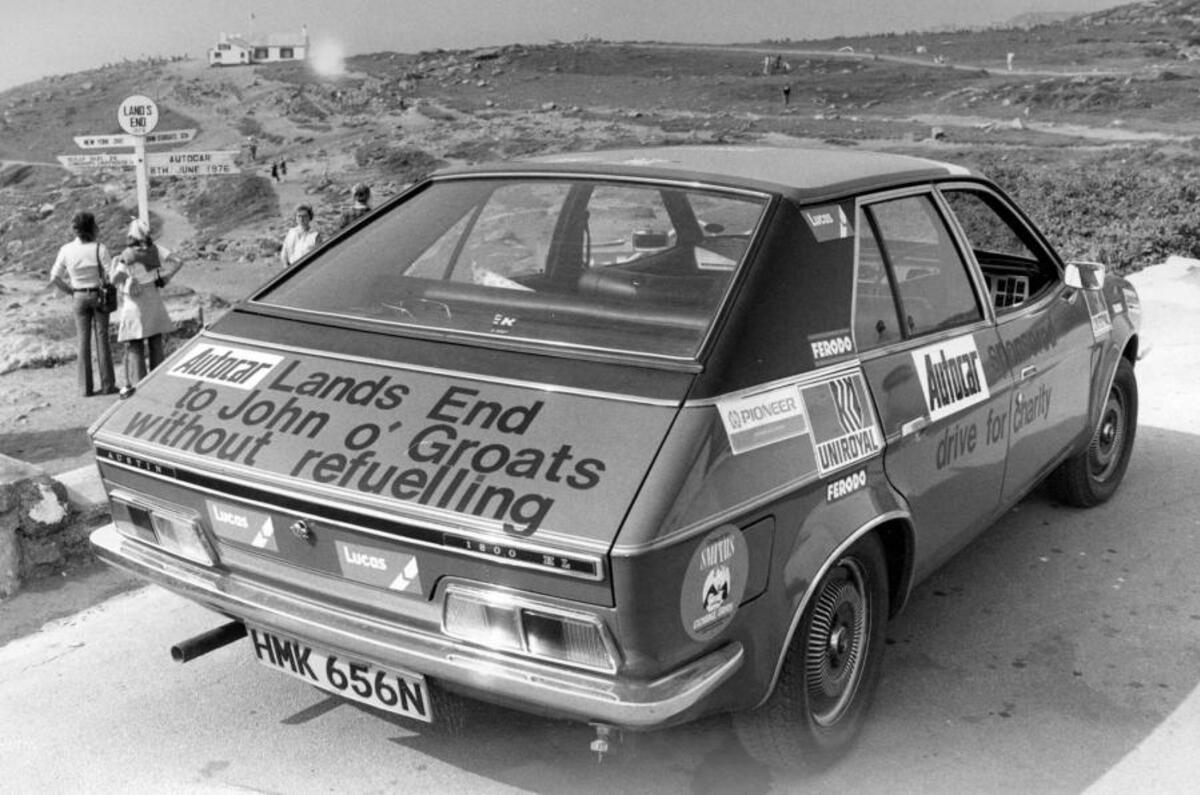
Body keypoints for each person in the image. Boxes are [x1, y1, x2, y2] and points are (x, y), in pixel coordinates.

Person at [110, 218, 183, 396]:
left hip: (135, 301)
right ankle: (157, 383)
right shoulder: (155, 250)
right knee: (155, 341)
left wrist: (117, 270)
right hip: (153, 297)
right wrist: (167, 276)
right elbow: (178, 261)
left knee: (135, 344)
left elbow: (114, 279)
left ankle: (139, 384)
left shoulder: (127, 255)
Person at [48, 211, 117, 397]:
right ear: (92, 227)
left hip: (78, 296)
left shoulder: (66, 249)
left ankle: (84, 388)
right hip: (98, 295)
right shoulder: (99, 248)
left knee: (82, 341)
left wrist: (71, 290)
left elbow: (54, 277)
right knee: (102, 339)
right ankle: (108, 385)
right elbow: (112, 275)